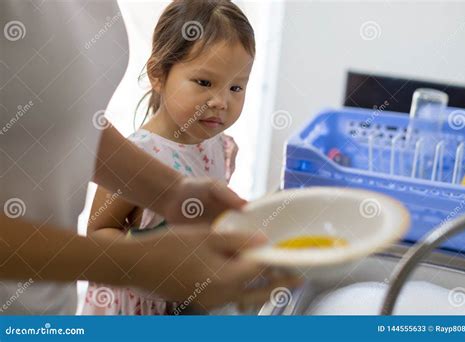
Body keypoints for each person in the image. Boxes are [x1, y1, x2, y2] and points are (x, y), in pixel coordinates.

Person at [0, 0, 300, 315]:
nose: (221, 101)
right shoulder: (148, 147)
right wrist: (138, 263)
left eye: (237, 87)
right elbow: (101, 229)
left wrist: (174, 193)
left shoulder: (219, 147)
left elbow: (56, 119)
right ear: (158, 74)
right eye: (204, 82)